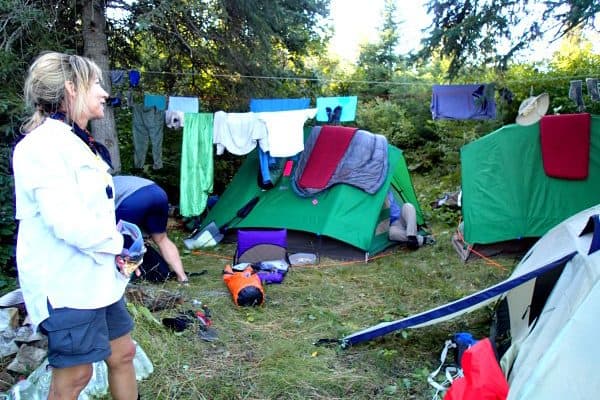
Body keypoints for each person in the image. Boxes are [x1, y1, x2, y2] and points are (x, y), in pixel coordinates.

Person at [12, 52, 139, 400]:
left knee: (123, 353)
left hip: (96, 276)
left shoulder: (77, 142)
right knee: (76, 375)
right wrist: (119, 244)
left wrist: (117, 247)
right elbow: (66, 222)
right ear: (71, 87)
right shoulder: (42, 146)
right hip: (64, 283)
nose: (102, 92)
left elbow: (91, 210)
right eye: (95, 83)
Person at [113, 175, 189, 283]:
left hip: (134, 199)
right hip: (158, 193)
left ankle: (124, 279)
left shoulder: (96, 186)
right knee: (162, 239)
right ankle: (182, 278)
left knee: (120, 240)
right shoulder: (115, 179)